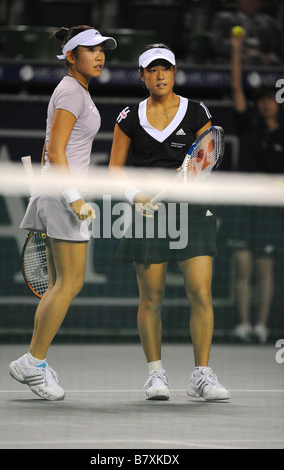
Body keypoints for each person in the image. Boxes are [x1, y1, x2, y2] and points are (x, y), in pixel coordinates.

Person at [109, 44, 230, 401]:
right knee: (151, 298)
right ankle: (156, 375)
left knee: (200, 292)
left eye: (166, 69)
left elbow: (205, 159)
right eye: (152, 70)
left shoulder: (197, 112)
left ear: (174, 72)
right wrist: (136, 196)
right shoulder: (128, 117)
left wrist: (189, 180)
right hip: (149, 214)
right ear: (142, 75)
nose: (160, 75)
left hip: (192, 211)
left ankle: (202, 376)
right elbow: (114, 171)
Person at [9, 25, 117, 400]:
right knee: (70, 284)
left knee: (58, 286)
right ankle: (33, 360)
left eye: (102, 49)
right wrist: (74, 199)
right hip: (62, 195)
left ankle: (35, 363)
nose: (100, 55)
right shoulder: (71, 91)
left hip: (53, 192)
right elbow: (56, 151)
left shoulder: (75, 90)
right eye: (90, 50)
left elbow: (54, 150)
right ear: (71, 56)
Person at [229, 29, 284, 343]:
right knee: (241, 267)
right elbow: (236, 85)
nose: (265, 105)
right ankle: (243, 324)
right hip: (241, 205)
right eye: (261, 101)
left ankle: (261, 326)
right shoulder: (247, 123)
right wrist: (236, 49)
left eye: (269, 101)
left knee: (264, 270)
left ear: (276, 104)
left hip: (269, 209)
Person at [211, 0, 282, 65]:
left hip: (261, 67)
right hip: (230, 64)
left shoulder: (269, 23)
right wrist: (244, 50)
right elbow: (218, 43)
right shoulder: (223, 19)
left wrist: (270, 58)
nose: (250, 2)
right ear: (238, 2)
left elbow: (276, 49)